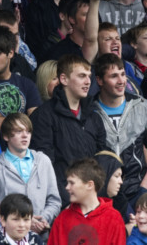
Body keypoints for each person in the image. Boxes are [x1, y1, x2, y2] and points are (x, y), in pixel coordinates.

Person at [30, 55, 107, 206]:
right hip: (61, 202)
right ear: (64, 79)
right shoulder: (43, 116)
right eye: (81, 76)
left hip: (92, 200)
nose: (87, 81)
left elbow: (102, 157)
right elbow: (45, 165)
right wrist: (67, 201)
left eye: (89, 76)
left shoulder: (93, 115)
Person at [93, 53, 147, 203]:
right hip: (103, 192)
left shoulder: (142, 105)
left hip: (137, 188)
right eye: (113, 76)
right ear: (99, 80)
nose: (121, 81)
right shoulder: (89, 110)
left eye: (123, 74)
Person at [0, 113, 61, 235]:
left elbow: (54, 200)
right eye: (19, 131)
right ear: (5, 136)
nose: (25, 135)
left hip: (41, 237)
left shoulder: (43, 161)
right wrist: (24, 223)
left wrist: (43, 219)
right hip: (9, 239)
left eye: (28, 131)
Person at [47, 158, 127, 245]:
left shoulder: (113, 219)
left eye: (72, 183)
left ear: (89, 185)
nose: (67, 187)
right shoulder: (62, 219)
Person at [0, 26, 41, 130]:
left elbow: (37, 123)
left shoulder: (27, 84)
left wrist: (2, 121)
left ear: (11, 53)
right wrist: (25, 121)